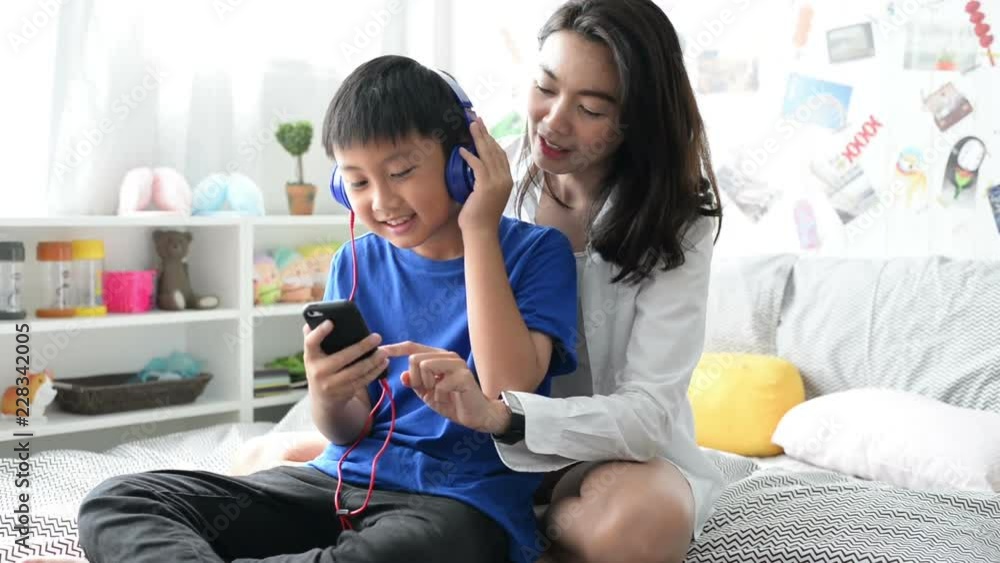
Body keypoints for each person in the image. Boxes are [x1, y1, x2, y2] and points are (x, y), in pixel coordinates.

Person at [235, 0, 726, 561]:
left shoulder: (676, 225)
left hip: (594, 453)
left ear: (637, 119)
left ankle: (513, 532)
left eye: (590, 108)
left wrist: (507, 417)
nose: (553, 121)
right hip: (467, 451)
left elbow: (647, 414)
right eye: (545, 87)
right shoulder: (477, 176)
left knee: (638, 524)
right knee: (258, 462)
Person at [77, 55, 578, 563]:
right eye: (357, 182)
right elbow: (346, 429)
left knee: (405, 551)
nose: (381, 200)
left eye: (401, 172)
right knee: (118, 502)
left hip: (455, 506)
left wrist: (479, 230)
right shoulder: (355, 262)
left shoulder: (537, 253)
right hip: (335, 484)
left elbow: (506, 394)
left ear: (461, 163)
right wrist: (326, 394)